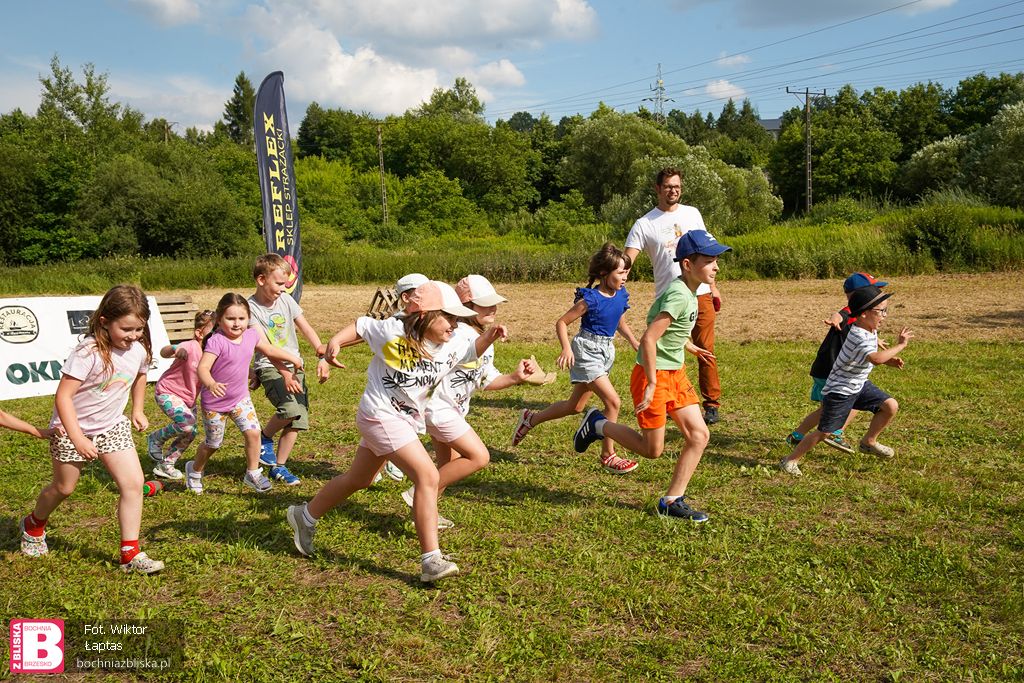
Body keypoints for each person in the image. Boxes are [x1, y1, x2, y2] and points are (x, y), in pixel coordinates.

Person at [285, 281, 505, 583]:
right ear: (424, 315)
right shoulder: (393, 332)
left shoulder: (451, 341)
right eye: (449, 317)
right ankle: (431, 560)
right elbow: (362, 326)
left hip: (404, 420)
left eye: (457, 318)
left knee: (359, 479)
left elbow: (468, 351)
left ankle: (304, 515)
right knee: (428, 476)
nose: (455, 324)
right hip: (379, 416)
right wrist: (334, 343)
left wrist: (489, 337)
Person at [573, 230, 730, 522]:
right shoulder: (679, 295)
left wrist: (688, 345)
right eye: (709, 261)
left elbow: (669, 329)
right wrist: (653, 382)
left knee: (699, 435)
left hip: (676, 374)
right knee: (651, 449)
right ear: (688, 264)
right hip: (652, 375)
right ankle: (598, 424)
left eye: (716, 260)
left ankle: (671, 500)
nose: (716, 267)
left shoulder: (689, 291)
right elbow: (649, 338)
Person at [19, 285, 163, 573]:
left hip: (112, 426)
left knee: (133, 484)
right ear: (105, 322)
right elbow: (63, 397)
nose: (134, 335)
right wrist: (77, 438)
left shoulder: (138, 349)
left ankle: (129, 554)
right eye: (126, 329)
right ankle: (33, 524)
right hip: (71, 428)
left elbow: (140, 375)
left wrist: (137, 409)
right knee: (64, 488)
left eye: (139, 329)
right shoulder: (88, 352)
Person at [405, 275, 538, 527]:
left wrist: (515, 377)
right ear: (466, 306)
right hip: (438, 408)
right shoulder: (458, 334)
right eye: (485, 304)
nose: (493, 308)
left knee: (449, 463)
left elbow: (485, 380)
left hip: (448, 409)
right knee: (478, 456)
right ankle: (420, 491)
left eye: (494, 303)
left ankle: (424, 515)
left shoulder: (480, 337)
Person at [511, 243, 642, 474]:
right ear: (604, 273)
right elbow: (562, 322)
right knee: (613, 402)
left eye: (626, 272)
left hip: (605, 351)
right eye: (621, 272)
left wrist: (633, 341)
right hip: (586, 352)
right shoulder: (590, 299)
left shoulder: (621, 294)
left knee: (575, 406)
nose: (625, 277)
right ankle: (608, 455)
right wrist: (567, 349)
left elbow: (619, 320)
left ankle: (530, 419)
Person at [625, 167, 723, 425]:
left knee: (704, 349)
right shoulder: (645, 223)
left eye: (677, 186)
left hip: (700, 294)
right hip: (670, 297)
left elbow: (707, 252)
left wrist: (713, 287)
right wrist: (614, 280)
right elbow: (628, 259)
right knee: (669, 347)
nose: (673, 190)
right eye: (668, 186)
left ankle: (711, 404)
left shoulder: (692, 213)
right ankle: (666, 398)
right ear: (658, 189)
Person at [780, 285, 912, 476]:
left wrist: (889, 360)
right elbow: (875, 358)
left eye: (886, 310)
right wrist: (900, 346)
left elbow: (870, 357)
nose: (885, 316)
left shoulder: (869, 329)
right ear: (864, 314)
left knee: (890, 406)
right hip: (840, 390)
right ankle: (790, 460)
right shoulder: (858, 334)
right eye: (881, 311)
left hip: (858, 384)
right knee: (825, 432)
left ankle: (868, 442)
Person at [182, 293, 303, 495]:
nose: (237, 323)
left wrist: (292, 358)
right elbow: (203, 368)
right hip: (215, 404)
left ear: (248, 318)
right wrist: (211, 384)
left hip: (240, 399)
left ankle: (252, 473)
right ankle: (194, 470)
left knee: (254, 433)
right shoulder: (216, 341)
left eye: (242, 318)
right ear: (219, 319)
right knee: (213, 444)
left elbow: (268, 350)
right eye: (230, 318)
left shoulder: (251, 335)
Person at [249, 254, 331, 486]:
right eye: (278, 283)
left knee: (297, 419)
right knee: (290, 410)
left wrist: (321, 353)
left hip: (295, 366)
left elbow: (306, 328)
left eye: (285, 284)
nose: (283, 289)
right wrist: (285, 373)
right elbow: (265, 348)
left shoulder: (286, 300)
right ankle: (265, 438)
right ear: (261, 279)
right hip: (270, 366)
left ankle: (279, 467)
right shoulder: (250, 309)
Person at [785, 273, 889, 454]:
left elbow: (862, 336)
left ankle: (798, 435)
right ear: (859, 294)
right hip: (831, 368)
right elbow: (840, 315)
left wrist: (876, 341)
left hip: (836, 369)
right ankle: (834, 433)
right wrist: (834, 319)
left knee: (829, 408)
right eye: (875, 290)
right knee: (848, 402)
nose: (878, 294)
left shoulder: (865, 319)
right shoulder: (851, 311)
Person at [145, 309, 215, 480]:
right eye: (214, 331)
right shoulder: (191, 346)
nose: (218, 336)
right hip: (168, 392)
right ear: (199, 333)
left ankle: (166, 464)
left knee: (190, 432)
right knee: (187, 424)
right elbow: (163, 352)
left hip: (188, 400)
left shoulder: (213, 354)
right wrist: (175, 348)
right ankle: (155, 438)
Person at [379, 273, 430, 483]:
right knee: (397, 422)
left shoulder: (427, 319)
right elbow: (362, 331)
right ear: (406, 298)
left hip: (417, 383)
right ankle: (393, 460)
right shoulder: (395, 324)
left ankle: (373, 468)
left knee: (407, 420)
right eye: (421, 293)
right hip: (394, 386)